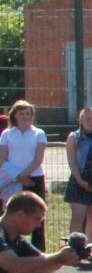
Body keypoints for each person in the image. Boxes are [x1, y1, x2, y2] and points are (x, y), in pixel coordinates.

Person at [0, 103, 49, 251]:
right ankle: (9, 246)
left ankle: (38, 248)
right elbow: (2, 158)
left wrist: (25, 175)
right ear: (15, 115)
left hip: (34, 178)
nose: (25, 117)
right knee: (10, 212)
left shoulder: (39, 133)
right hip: (12, 178)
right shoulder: (7, 134)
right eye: (21, 113)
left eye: (28, 114)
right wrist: (18, 176)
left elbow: (38, 159)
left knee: (36, 213)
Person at [63, 106, 92, 250]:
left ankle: (90, 247)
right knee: (78, 215)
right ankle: (74, 248)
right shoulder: (73, 137)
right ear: (81, 120)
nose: (91, 122)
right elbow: (72, 162)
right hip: (79, 178)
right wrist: (80, 181)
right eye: (87, 118)